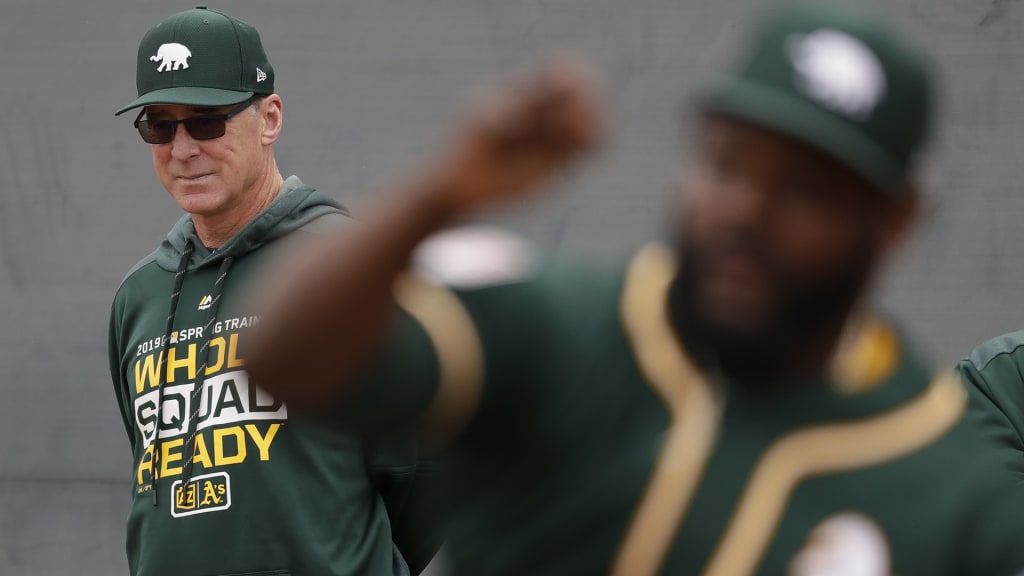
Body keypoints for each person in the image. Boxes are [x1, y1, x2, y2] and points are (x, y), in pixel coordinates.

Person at [246, 2, 1024, 575]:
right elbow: (286, 359)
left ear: (895, 221)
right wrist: (440, 195)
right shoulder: (559, 324)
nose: (747, 211)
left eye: (806, 190)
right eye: (728, 163)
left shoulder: (950, 485)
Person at [107, 7, 436, 576]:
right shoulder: (140, 295)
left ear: (270, 118)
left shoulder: (347, 269)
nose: (182, 149)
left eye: (207, 120)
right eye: (160, 125)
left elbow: (427, 479)